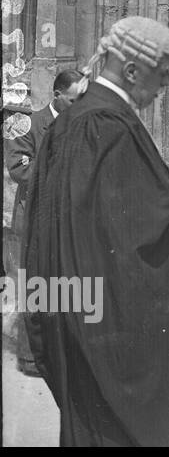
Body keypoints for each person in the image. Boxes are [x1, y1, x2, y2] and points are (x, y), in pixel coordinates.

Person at [24, 16, 169, 446]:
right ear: (130, 70)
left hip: (80, 313)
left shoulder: (79, 119)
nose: (165, 84)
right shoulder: (105, 124)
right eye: (162, 73)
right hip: (112, 328)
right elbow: (125, 231)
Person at [4, 68, 83, 376]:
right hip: (36, 215)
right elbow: (18, 169)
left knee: (68, 285)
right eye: (74, 100)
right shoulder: (26, 123)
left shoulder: (80, 124)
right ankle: (30, 357)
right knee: (35, 286)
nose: (79, 106)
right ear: (57, 96)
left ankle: (62, 355)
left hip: (69, 216)